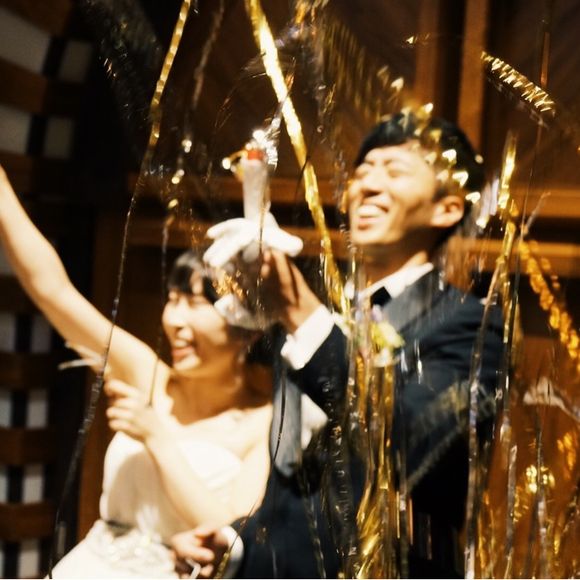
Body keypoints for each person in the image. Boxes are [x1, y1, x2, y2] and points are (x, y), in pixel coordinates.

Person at [171, 108, 504, 578]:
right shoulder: (320, 313)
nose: (368, 185)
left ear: (446, 208)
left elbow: (413, 447)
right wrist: (236, 545)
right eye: (363, 171)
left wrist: (300, 314)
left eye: (395, 171)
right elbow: (299, 483)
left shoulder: (470, 324)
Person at [0, 165, 273, 578]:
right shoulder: (147, 373)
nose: (175, 321)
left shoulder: (264, 422)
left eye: (195, 303)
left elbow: (234, 540)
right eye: (173, 299)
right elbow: (53, 291)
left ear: (248, 331)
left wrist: (156, 436)